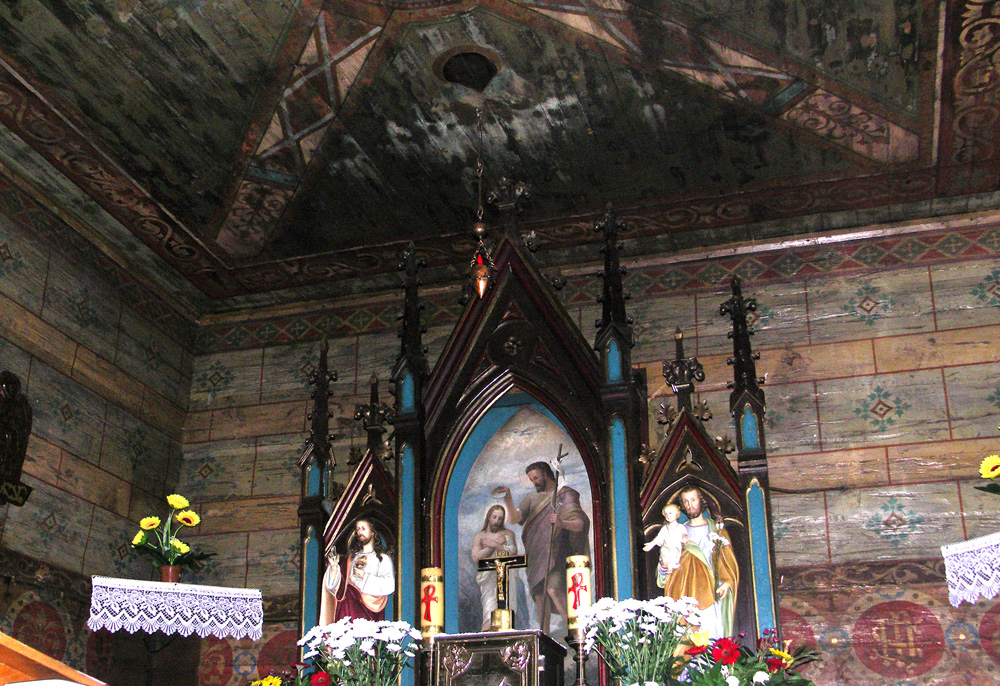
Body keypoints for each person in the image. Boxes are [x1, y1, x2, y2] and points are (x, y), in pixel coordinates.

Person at [497, 461, 590, 633]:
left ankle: (577, 632)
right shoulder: (531, 498)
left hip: (557, 553)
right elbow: (514, 519)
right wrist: (507, 497)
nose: (534, 482)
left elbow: (580, 524)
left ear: (546, 474)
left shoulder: (565, 495)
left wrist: (562, 523)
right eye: (531, 479)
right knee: (540, 598)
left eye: (536, 478)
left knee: (553, 589)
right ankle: (544, 638)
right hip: (536, 554)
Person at [662, 486, 739, 639]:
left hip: (710, 592)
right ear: (682, 506)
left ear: (701, 501)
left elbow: (729, 563)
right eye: (686, 501)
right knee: (686, 639)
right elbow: (666, 566)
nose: (690, 505)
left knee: (712, 635)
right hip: (685, 593)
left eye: (693, 500)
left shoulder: (717, 532)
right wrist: (663, 567)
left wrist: (728, 582)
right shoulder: (676, 533)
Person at [320, 519, 394, 623]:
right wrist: (334, 567)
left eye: (363, 528)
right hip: (347, 608)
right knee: (349, 592)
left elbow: (389, 585)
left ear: (373, 533)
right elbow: (335, 587)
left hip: (370, 612)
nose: (360, 532)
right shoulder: (352, 558)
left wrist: (364, 576)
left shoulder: (382, 558)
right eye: (358, 529)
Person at [470, 504, 519, 630]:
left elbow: (514, 554)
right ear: (488, 517)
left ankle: (504, 632)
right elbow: (476, 557)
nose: (497, 521)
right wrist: (494, 545)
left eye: (500, 518)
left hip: (506, 577)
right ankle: (487, 634)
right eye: (494, 517)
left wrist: (496, 545)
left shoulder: (508, 534)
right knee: (489, 608)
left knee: (505, 607)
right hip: (488, 578)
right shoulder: (480, 536)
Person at [643, 503, 689, 588]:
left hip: (675, 548)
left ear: (677, 514)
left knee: (675, 553)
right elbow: (658, 538)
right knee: (663, 551)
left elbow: (684, 534)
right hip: (666, 548)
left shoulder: (680, 527)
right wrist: (651, 544)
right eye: (666, 514)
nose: (668, 516)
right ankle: (667, 567)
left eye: (670, 513)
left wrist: (685, 538)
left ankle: (672, 566)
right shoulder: (665, 528)